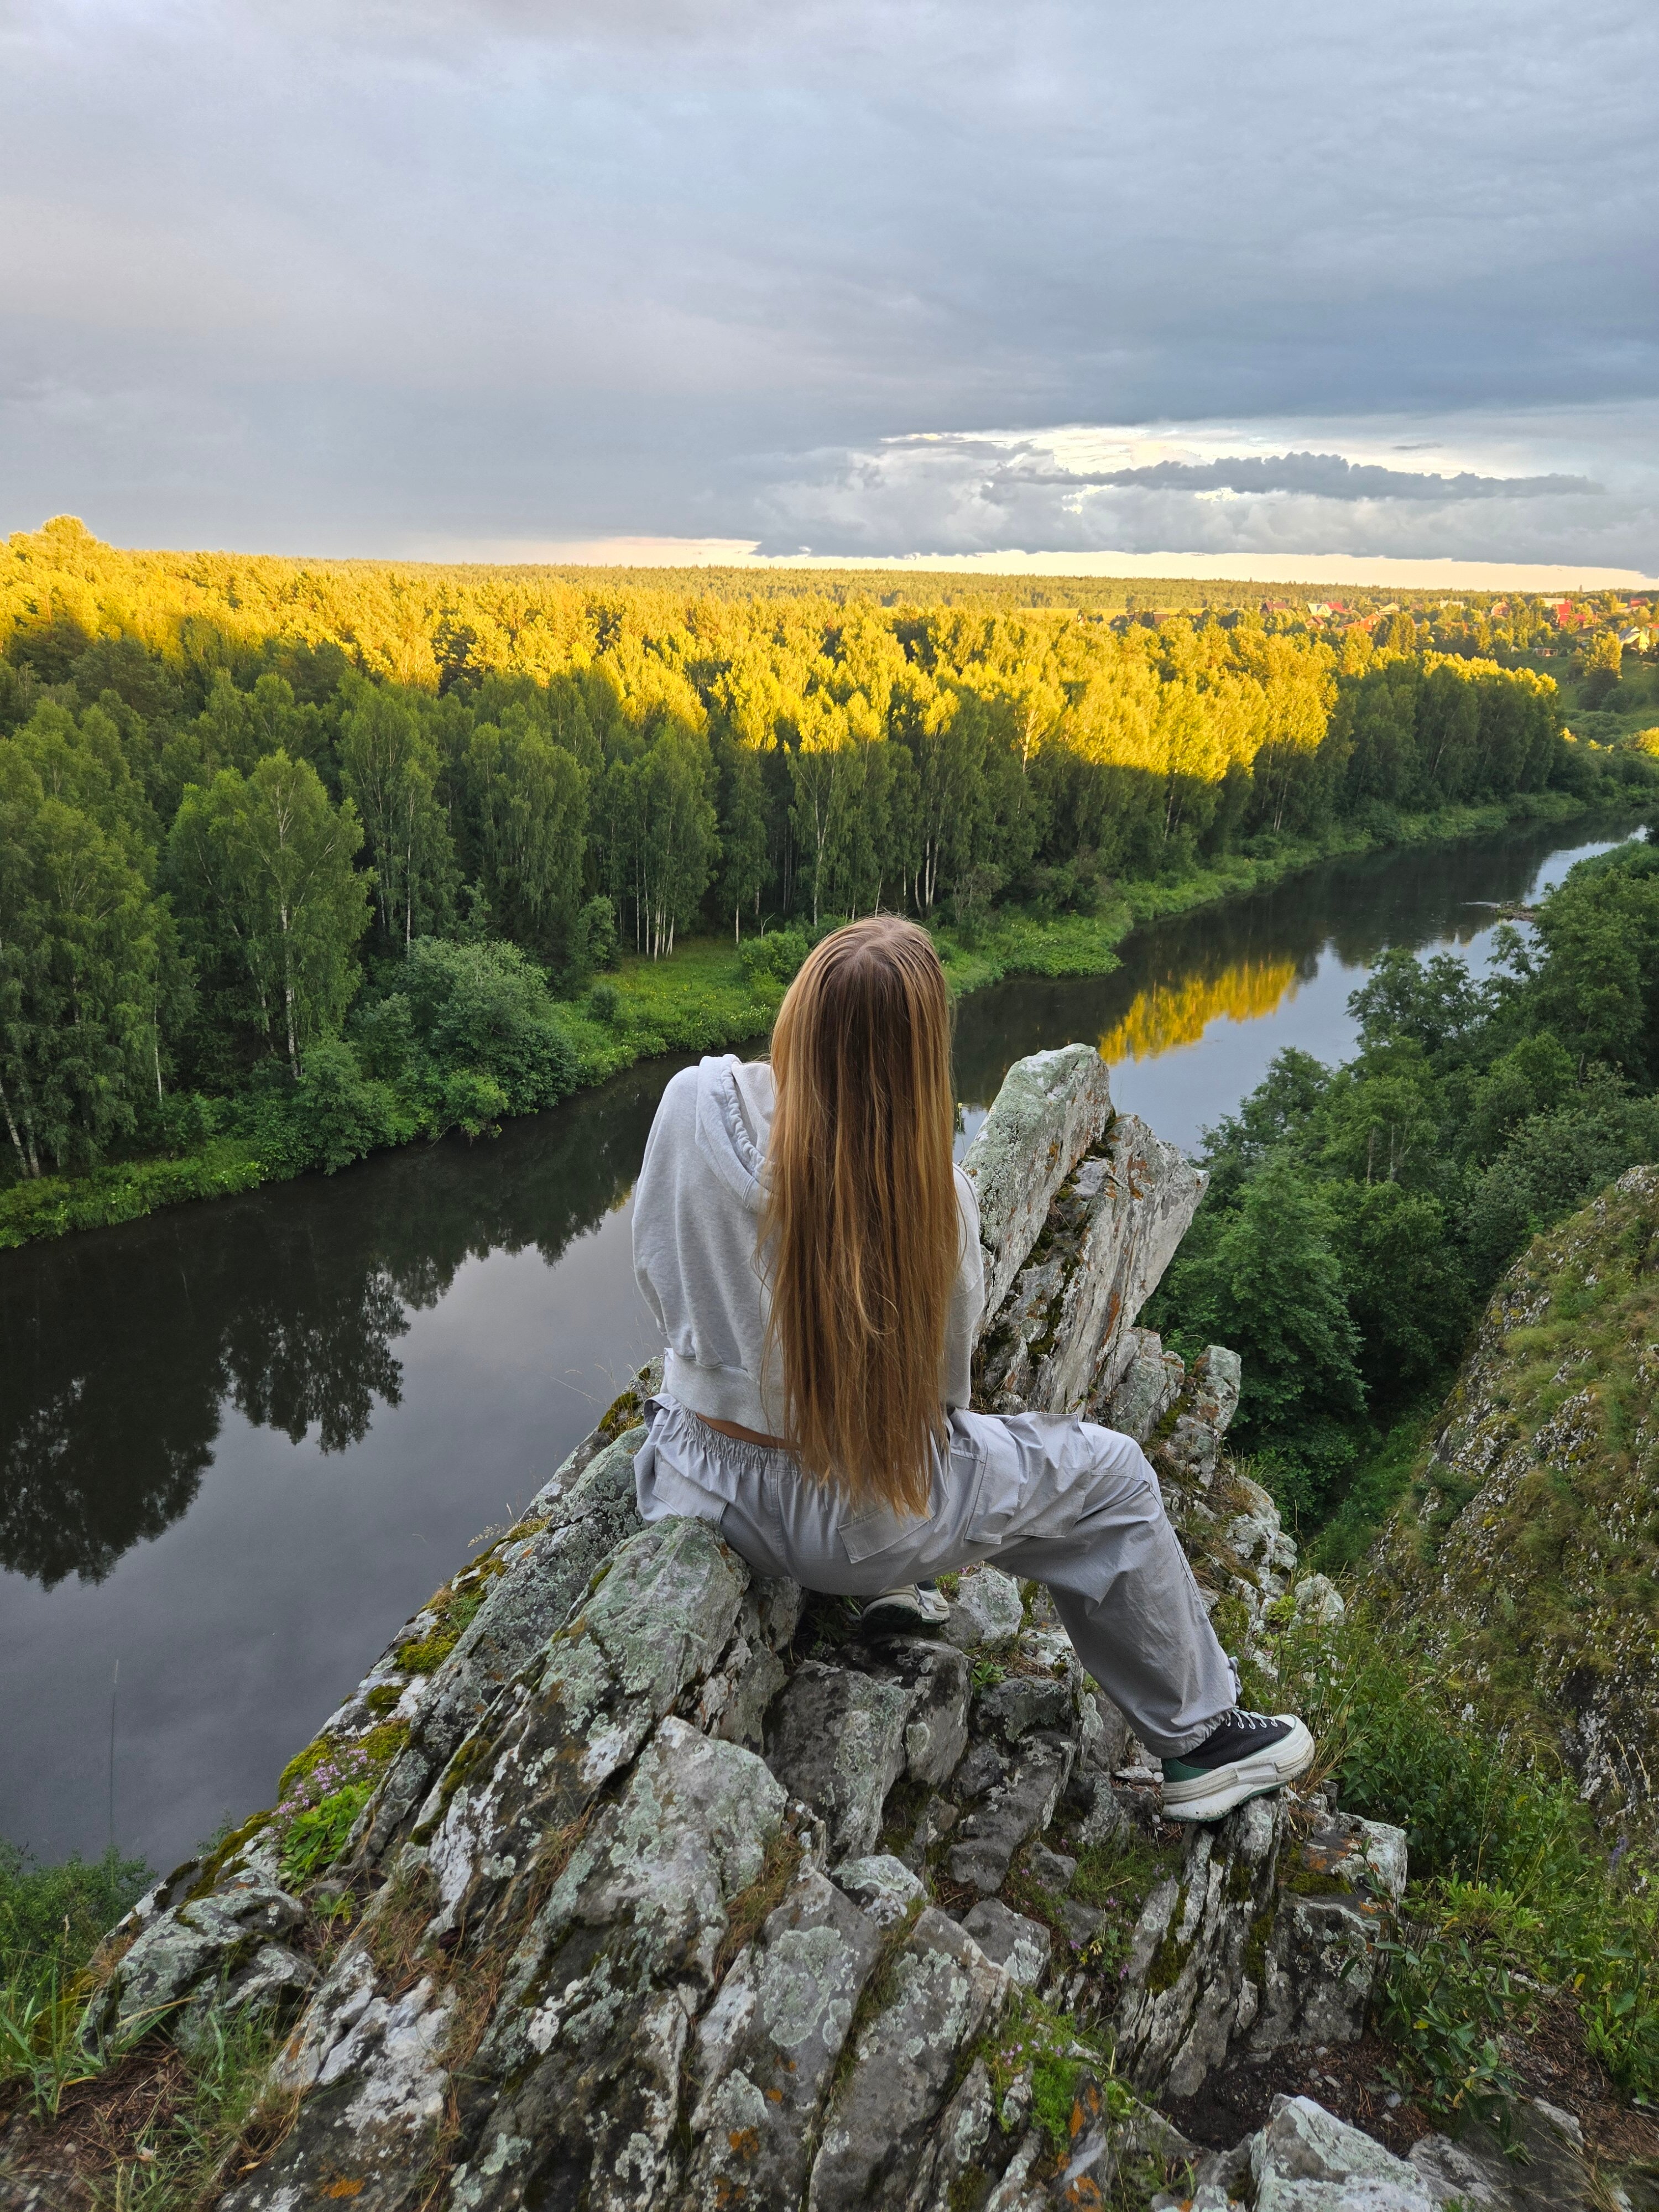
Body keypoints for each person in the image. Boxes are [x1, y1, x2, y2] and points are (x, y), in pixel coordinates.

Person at [630, 915, 1313, 1823]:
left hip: (691, 1477)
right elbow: (935, 1415)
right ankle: (1201, 1741)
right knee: (1111, 1478)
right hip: (843, 1528)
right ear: (920, 1058)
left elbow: (656, 1274)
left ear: (797, 1008)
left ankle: (896, 1590)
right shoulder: (931, 1203)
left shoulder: (689, 1102)